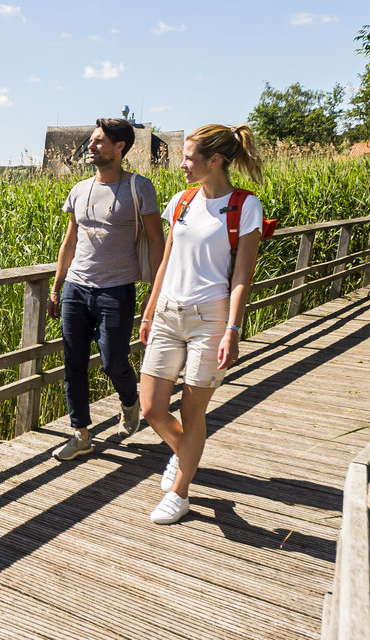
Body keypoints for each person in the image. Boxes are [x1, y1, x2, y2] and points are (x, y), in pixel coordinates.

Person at [138, 124, 267, 524]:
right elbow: (166, 262)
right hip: (167, 314)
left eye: (189, 158)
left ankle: (181, 492)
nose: (182, 164)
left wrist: (234, 328)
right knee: (152, 409)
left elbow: (242, 275)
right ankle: (185, 456)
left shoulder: (245, 206)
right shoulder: (181, 202)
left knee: (194, 413)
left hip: (210, 319)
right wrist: (149, 309)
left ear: (215, 160)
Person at [51, 118, 165, 461]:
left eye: (99, 141)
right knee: (73, 364)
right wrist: (57, 286)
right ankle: (81, 432)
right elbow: (69, 240)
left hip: (116, 290)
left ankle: (130, 401)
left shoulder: (139, 188)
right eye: (91, 139)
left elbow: (158, 241)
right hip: (76, 288)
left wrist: (154, 292)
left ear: (120, 147)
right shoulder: (80, 189)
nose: (91, 145)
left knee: (113, 361)